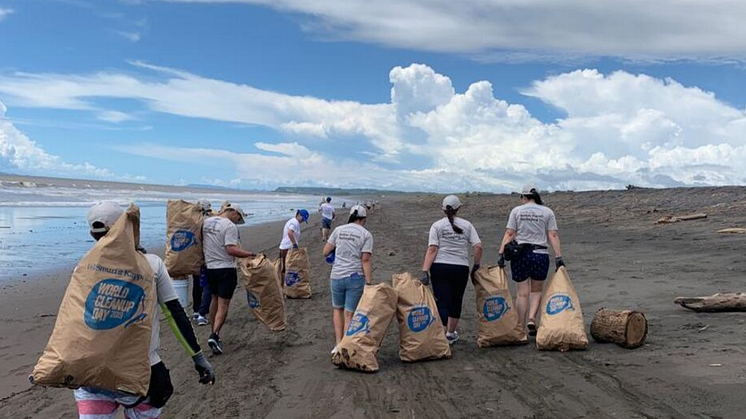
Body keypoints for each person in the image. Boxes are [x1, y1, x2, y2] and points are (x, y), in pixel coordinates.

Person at [75, 202, 215, 419]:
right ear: (128, 227)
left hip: (93, 375)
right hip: (141, 373)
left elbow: (73, 322)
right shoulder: (151, 265)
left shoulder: (84, 266)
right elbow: (174, 313)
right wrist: (197, 357)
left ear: (93, 234)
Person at [498, 184, 563, 336]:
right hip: (540, 254)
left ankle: (520, 326)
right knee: (536, 290)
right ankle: (532, 319)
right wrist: (558, 256)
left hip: (520, 255)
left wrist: (501, 253)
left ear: (524, 197)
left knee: (522, 293)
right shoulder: (547, 212)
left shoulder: (516, 211)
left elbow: (509, 233)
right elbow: (552, 235)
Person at [419, 195, 482, 345]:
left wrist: (424, 270)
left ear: (443, 209)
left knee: (441, 300)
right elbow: (478, 246)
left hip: (440, 267)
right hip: (460, 268)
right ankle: (450, 333)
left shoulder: (437, 226)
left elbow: (432, 249)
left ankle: (441, 332)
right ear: (458, 208)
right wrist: (476, 265)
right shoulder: (467, 225)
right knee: (456, 299)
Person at [202, 204, 256, 355]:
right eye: (239, 217)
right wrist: (248, 254)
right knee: (223, 304)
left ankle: (214, 332)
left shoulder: (207, 222)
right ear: (234, 213)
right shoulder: (229, 226)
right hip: (225, 268)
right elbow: (230, 249)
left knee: (214, 299)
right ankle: (215, 335)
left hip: (209, 267)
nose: (238, 220)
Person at [322, 205, 373, 353]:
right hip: (355, 277)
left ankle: (338, 344)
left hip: (336, 276)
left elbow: (325, 252)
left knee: (337, 309)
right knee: (349, 312)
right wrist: (369, 283)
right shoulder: (366, 234)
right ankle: (347, 344)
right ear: (363, 219)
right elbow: (365, 260)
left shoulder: (338, 230)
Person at [192, 199, 213, 326]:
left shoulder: (192, 222)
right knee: (208, 286)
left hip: (194, 258)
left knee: (197, 284)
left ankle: (195, 310)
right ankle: (202, 314)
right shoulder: (207, 222)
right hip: (206, 258)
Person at [278, 209, 310, 276]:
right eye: (302, 218)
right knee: (287, 269)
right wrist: (294, 244)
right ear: (298, 214)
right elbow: (290, 233)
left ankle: (284, 283)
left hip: (286, 247)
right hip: (287, 247)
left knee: (286, 268)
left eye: (304, 220)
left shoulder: (294, 222)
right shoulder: (294, 222)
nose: (302, 221)